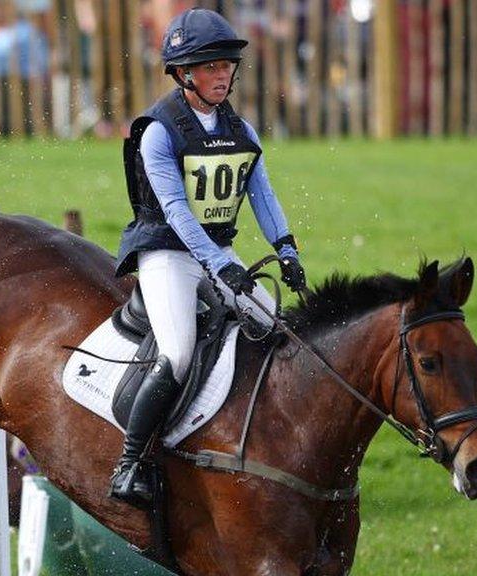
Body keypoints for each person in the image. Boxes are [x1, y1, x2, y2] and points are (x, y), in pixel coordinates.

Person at [109, 8, 307, 507]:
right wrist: (221, 266)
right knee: (177, 353)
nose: (223, 75)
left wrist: (286, 248)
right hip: (167, 255)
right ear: (184, 74)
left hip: (216, 251)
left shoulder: (242, 131)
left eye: (227, 66)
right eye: (211, 67)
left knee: (277, 330)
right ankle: (128, 464)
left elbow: (262, 195)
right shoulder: (159, 132)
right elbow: (175, 211)